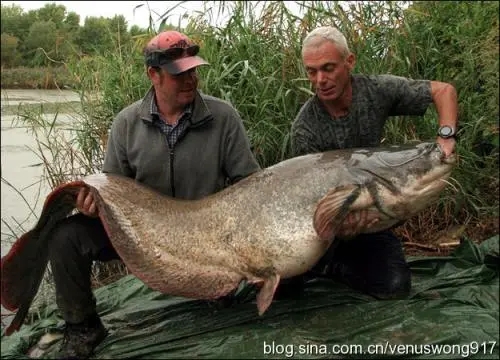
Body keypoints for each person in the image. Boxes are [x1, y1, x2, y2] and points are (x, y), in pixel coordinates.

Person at [47, 30, 261, 359]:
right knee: (66, 237)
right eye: (180, 74)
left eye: (194, 70)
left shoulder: (223, 118)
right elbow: (112, 189)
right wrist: (94, 206)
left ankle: (218, 286)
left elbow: (250, 184)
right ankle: (83, 326)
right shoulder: (126, 123)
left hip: (207, 234)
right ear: (154, 75)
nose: (191, 79)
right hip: (141, 236)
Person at [290, 26, 458, 299]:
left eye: (328, 68)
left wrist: (446, 136)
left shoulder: (376, 90)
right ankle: (327, 264)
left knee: (394, 286)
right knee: (286, 286)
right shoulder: (305, 129)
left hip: (371, 214)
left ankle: (334, 267)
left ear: (350, 62)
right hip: (325, 224)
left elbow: (444, 91)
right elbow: (311, 200)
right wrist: (340, 226)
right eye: (312, 71)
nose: (320, 79)